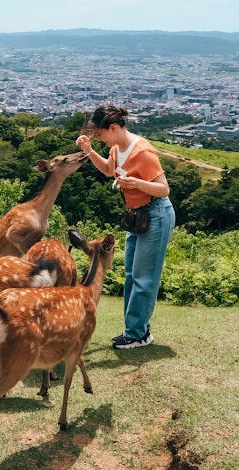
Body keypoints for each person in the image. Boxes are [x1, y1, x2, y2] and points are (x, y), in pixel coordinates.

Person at [76, 104, 175, 349]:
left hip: (156, 213)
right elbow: (108, 170)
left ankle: (137, 334)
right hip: (136, 215)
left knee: (144, 277)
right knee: (131, 274)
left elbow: (164, 189)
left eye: (99, 134)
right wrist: (89, 151)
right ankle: (136, 330)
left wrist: (137, 184)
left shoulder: (142, 152)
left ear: (113, 127)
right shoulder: (116, 149)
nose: (99, 138)